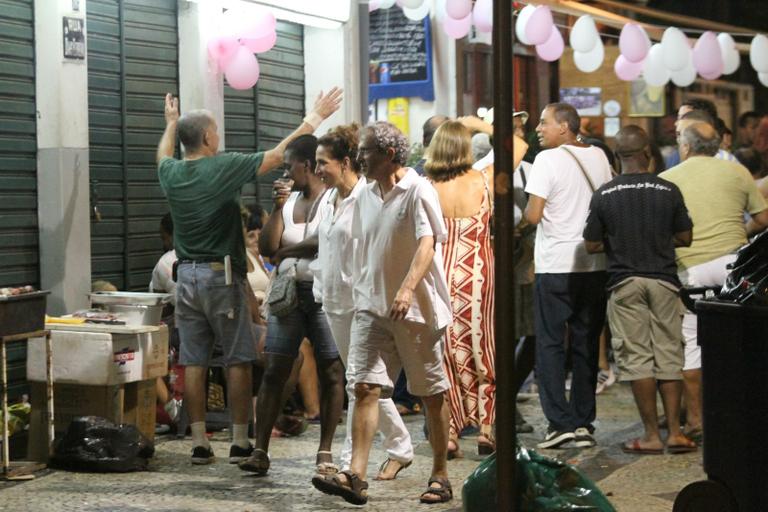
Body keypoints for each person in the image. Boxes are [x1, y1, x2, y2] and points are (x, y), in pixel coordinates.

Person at [156, 87, 342, 465]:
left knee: (194, 361)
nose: (219, 138)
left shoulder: (171, 173)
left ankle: (198, 441)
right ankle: (240, 439)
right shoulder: (221, 166)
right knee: (238, 358)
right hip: (219, 276)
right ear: (208, 138)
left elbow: (162, 154)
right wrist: (316, 117)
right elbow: (278, 155)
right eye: (217, 133)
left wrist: (170, 125)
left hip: (185, 278)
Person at [312, 122, 453, 505]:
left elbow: (427, 243)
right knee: (363, 387)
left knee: (432, 394)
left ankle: (440, 473)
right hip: (370, 308)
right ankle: (355, 474)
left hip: (415, 311)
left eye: (367, 152)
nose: (360, 159)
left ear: (389, 154)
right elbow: (359, 246)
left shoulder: (417, 189)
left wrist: (407, 288)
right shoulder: (365, 194)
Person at [583, 126, 697, 455]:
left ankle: (650, 435)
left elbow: (591, 244)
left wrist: (618, 241)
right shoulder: (668, 189)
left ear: (618, 156)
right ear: (647, 152)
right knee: (669, 356)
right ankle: (675, 432)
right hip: (664, 280)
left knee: (637, 360)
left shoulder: (605, 194)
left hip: (624, 282)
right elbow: (685, 237)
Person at [239, 134, 345, 477]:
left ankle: (325, 450)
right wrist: (277, 209)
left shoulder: (334, 199)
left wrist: (287, 252)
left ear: (308, 165)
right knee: (275, 370)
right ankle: (260, 451)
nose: (284, 173)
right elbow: (269, 248)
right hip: (289, 296)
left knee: (331, 371)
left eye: (288, 166)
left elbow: (326, 242)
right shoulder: (289, 202)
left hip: (324, 295)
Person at [313, 123, 414, 479]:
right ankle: (401, 446)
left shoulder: (366, 197)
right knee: (362, 382)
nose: (317, 170)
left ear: (344, 162)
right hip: (333, 299)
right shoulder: (328, 198)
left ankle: (347, 467)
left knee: (358, 383)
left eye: (323, 162)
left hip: (361, 301)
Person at [659, 122, 768, 443]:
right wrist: (737, 233)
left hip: (691, 270)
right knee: (739, 342)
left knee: (692, 343)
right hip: (734, 267)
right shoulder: (738, 173)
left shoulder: (668, 179)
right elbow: (762, 220)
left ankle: (696, 420)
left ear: (687, 146)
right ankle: (739, 413)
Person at [524, 103, 612, 449]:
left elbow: (533, 215)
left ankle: (558, 423)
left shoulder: (547, 160)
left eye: (544, 123)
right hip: (593, 264)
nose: (539, 130)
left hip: (556, 263)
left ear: (564, 126)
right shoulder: (599, 157)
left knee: (549, 344)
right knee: (586, 343)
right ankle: (583, 421)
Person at [424, 121, 496, 456]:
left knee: (446, 352)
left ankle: (450, 432)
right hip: (478, 274)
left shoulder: (425, 186)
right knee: (483, 347)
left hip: (439, 274)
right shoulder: (483, 179)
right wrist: (478, 123)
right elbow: (520, 147)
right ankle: (486, 429)